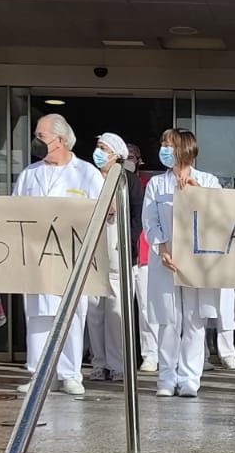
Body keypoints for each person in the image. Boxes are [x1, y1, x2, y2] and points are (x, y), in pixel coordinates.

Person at [13, 113, 98, 397]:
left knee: (71, 314)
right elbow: (14, 210)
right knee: (37, 314)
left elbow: (102, 209)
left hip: (71, 255)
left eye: (41, 136)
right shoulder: (29, 173)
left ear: (60, 140)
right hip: (36, 255)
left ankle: (70, 374)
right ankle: (38, 373)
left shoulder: (86, 172)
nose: (36, 141)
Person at [141, 128, 221, 397]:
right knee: (168, 320)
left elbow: (222, 216)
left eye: (169, 144)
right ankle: (166, 377)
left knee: (194, 320)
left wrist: (199, 194)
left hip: (197, 262)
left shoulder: (208, 181)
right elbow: (150, 220)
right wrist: (162, 248)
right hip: (167, 260)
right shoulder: (157, 184)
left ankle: (189, 378)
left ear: (184, 148)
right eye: (163, 143)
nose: (164, 149)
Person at [84, 132, 128, 382]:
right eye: (97, 147)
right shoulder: (88, 176)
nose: (98, 152)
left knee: (114, 309)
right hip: (91, 247)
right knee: (93, 309)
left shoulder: (121, 179)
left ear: (115, 154)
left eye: (103, 148)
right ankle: (98, 362)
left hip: (113, 246)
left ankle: (117, 362)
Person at [128, 144, 158, 374]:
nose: (129, 160)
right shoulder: (107, 184)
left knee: (147, 309)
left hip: (145, 255)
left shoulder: (148, 186)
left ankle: (151, 355)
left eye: (132, 157)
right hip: (122, 253)